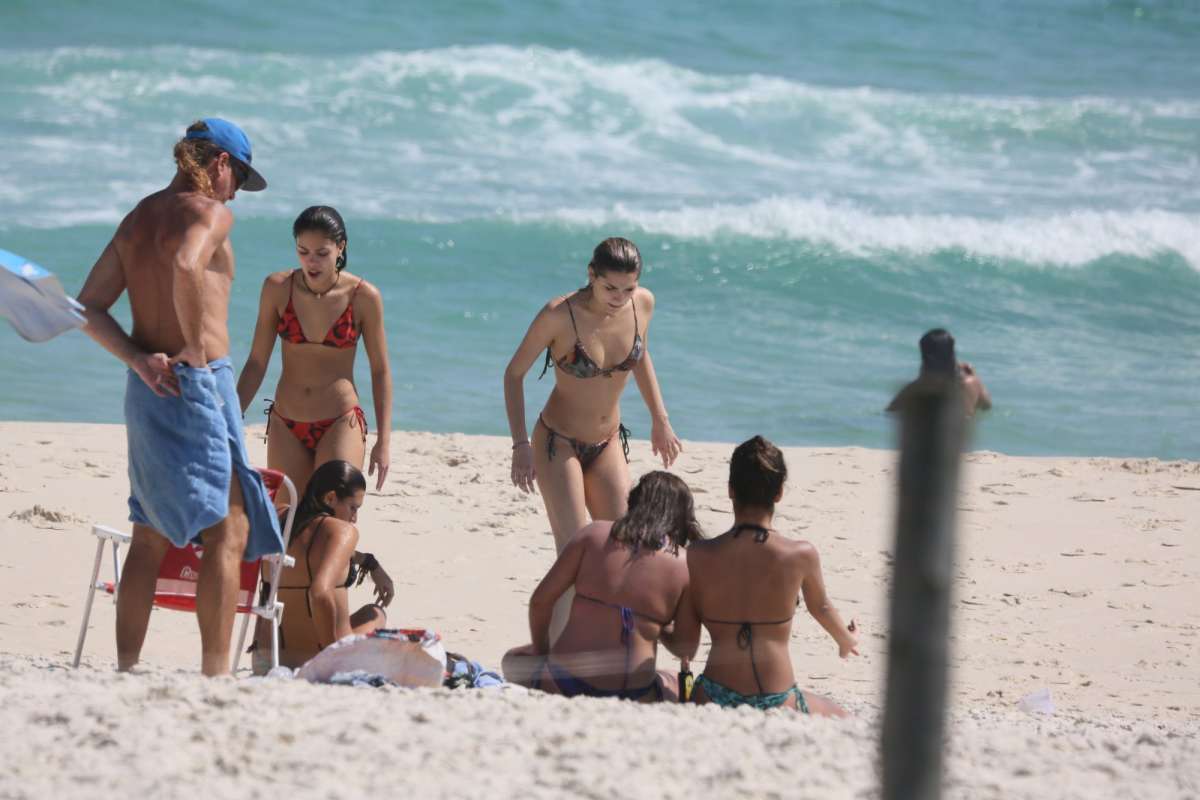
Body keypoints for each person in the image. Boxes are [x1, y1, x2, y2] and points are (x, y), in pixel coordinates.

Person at [75, 118, 283, 676]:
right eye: (237, 174)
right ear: (219, 162)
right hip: (198, 381)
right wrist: (193, 346)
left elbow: (87, 308)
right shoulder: (210, 211)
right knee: (230, 527)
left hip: (146, 383)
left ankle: (126, 667)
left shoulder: (137, 218)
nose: (236, 189)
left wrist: (137, 358)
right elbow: (188, 263)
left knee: (149, 532)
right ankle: (216, 677)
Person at [503, 237, 681, 632]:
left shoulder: (643, 305)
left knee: (625, 548)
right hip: (557, 442)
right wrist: (520, 445)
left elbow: (641, 357)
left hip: (607, 442)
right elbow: (513, 374)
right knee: (574, 550)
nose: (619, 297)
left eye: (628, 288)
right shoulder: (558, 315)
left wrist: (659, 418)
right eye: (609, 288)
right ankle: (556, 651)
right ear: (591, 275)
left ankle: (613, 646)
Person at [674, 436, 857, 715]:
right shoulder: (800, 554)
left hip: (713, 694)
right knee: (844, 716)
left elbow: (687, 643)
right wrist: (846, 640)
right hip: (777, 698)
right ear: (779, 493)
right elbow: (821, 607)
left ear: (730, 490)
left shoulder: (698, 555)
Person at [236, 206, 392, 500]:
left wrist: (383, 441)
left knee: (334, 514)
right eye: (303, 251)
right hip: (286, 422)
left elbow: (380, 371)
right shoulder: (277, 288)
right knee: (288, 521)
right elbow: (257, 362)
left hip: (339, 420)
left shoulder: (363, 297)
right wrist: (232, 415)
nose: (312, 261)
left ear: (340, 247)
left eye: (321, 253)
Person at [502, 471, 700, 701]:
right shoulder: (685, 565)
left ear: (633, 503)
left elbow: (540, 601)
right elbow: (686, 649)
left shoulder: (593, 534)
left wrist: (540, 649)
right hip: (634, 693)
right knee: (673, 678)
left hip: (563, 682)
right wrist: (655, 623)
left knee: (511, 660)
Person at [257, 460, 394, 672]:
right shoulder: (342, 532)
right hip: (314, 659)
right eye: (353, 507)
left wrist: (370, 563)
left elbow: (308, 551)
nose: (354, 518)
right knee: (375, 613)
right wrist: (333, 659)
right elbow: (319, 592)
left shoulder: (280, 516)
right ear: (330, 498)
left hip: (266, 656)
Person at [887, 328, 992, 417]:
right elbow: (986, 406)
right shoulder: (972, 382)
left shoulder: (917, 389)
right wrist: (974, 376)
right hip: (963, 436)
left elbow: (889, 413)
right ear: (952, 352)